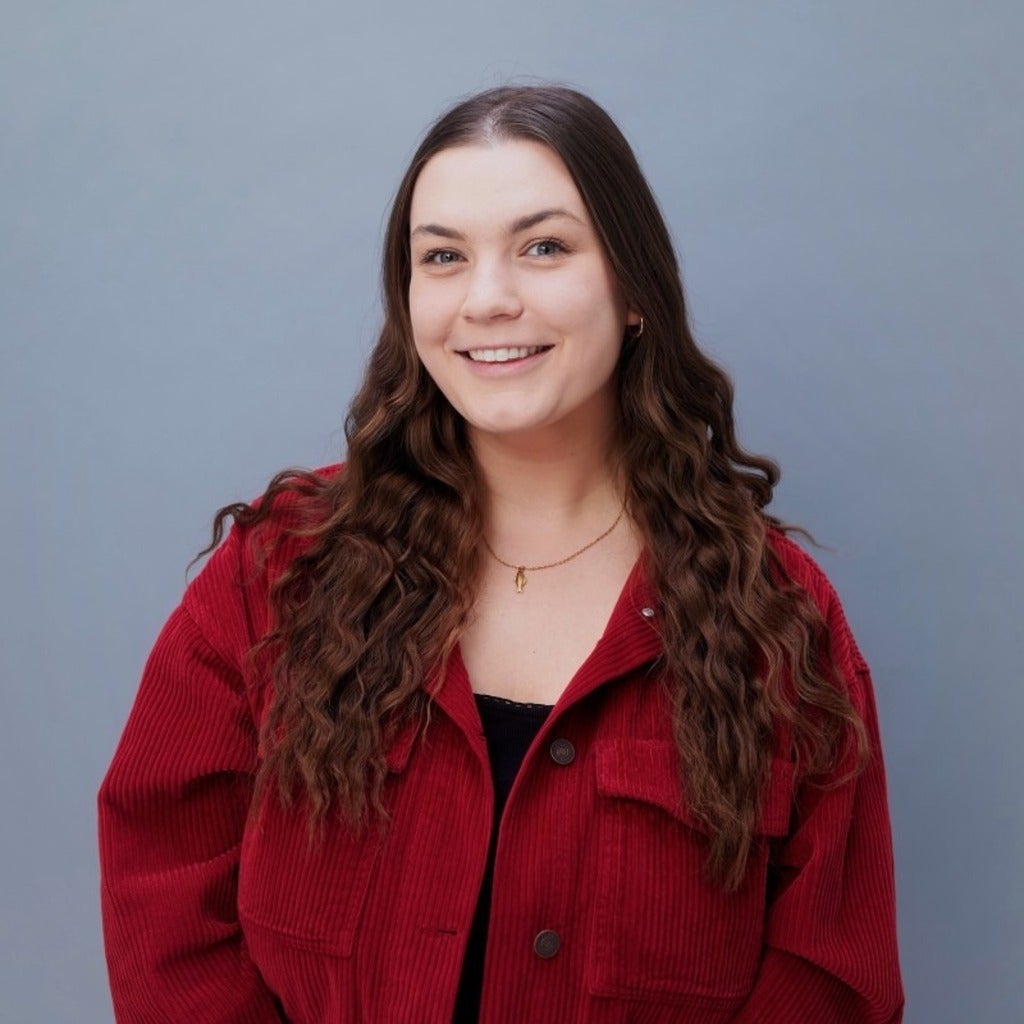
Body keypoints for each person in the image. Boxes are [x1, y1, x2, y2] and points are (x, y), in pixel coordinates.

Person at [98, 85, 904, 1023]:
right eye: (443, 257)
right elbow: (163, 903)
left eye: (544, 247)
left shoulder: (779, 623)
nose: (487, 300)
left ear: (634, 287)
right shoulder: (281, 573)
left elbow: (829, 980)